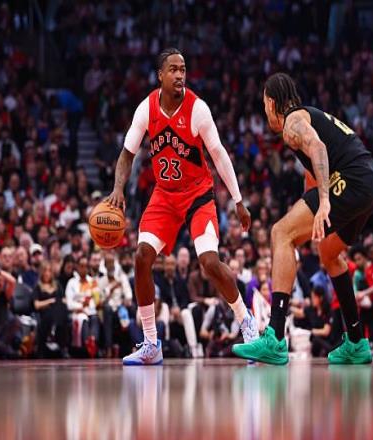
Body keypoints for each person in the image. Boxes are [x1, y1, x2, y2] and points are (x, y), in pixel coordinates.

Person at [105, 48, 258, 365]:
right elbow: (126, 154)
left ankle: (247, 324)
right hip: (164, 195)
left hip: (197, 194)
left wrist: (239, 201)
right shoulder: (146, 108)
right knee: (141, 257)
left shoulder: (198, 109)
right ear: (160, 75)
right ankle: (151, 343)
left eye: (183, 69)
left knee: (209, 262)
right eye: (173, 69)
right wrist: (118, 188)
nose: (179, 75)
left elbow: (219, 154)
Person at [232, 72, 373, 365]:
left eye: (264, 105)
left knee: (279, 233)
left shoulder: (292, 122)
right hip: (372, 181)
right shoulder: (308, 117)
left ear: (272, 103)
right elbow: (312, 176)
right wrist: (305, 213)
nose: (265, 112)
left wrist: (324, 201)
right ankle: (356, 341)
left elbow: (318, 148)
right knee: (328, 253)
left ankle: (275, 337)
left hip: (352, 179)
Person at [33, 261, 70, 358]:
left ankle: (60, 342)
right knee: (55, 313)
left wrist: (58, 302)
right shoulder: (38, 287)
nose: (47, 273)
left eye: (49, 271)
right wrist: (49, 301)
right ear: (41, 272)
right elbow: (36, 305)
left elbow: (64, 300)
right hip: (45, 314)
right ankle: (53, 330)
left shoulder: (57, 285)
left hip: (59, 313)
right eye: (45, 271)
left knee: (62, 311)